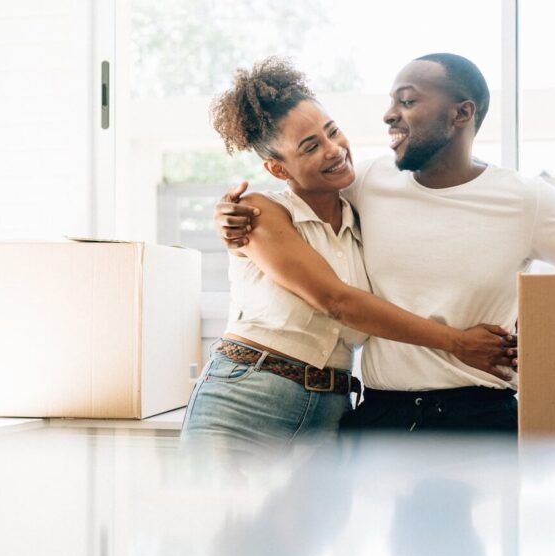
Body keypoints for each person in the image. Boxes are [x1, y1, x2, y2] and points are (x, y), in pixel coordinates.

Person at [215, 53, 555, 433]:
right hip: (377, 416)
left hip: (478, 416)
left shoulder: (525, 199)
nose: (388, 114)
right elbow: (298, 193)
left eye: (407, 101)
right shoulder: (370, 181)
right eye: (390, 101)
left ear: (462, 113)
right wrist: (233, 215)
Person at [180, 57, 516, 451]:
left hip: (331, 409)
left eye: (332, 132)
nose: (334, 150)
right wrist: (458, 343)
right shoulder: (259, 212)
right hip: (246, 399)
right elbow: (336, 301)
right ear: (278, 170)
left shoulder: (364, 218)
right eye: (311, 147)